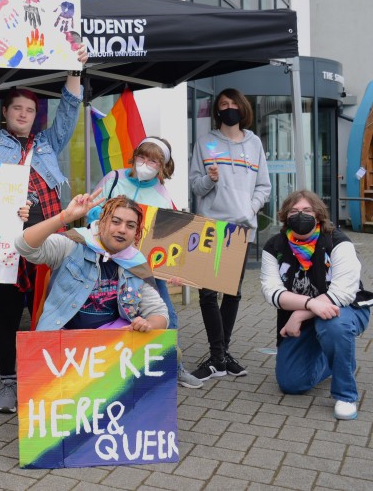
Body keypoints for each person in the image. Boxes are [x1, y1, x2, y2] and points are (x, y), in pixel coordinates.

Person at [0, 37, 88, 413]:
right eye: (16, 109)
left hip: (52, 244)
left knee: (55, 308)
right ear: (6, 114)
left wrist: (74, 69)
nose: (23, 114)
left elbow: (69, 109)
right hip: (8, 245)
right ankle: (8, 383)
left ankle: (51, 381)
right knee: (8, 313)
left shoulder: (48, 144)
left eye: (29, 109)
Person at [88, 137, 202, 388]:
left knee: (166, 314)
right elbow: (90, 211)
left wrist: (174, 270)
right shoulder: (113, 178)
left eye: (153, 160)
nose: (145, 163)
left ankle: (174, 365)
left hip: (142, 265)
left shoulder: (162, 195)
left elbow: (172, 243)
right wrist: (104, 214)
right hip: (105, 259)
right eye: (142, 156)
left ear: (163, 167)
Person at [260, 191, 371, 420]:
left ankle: (345, 395)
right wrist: (311, 304)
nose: (301, 216)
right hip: (308, 317)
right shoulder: (275, 247)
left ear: (318, 215)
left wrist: (299, 314)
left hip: (345, 310)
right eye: (294, 212)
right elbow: (272, 292)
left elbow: (343, 292)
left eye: (307, 211)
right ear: (285, 216)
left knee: (332, 326)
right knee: (291, 383)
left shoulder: (337, 242)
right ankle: (334, 360)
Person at [189, 88, 271, 381]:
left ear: (243, 107)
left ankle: (219, 356)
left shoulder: (254, 143)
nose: (229, 108)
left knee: (233, 294)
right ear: (217, 110)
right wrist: (209, 181)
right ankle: (218, 356)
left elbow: (264, 186)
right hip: (210, 227)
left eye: (234, 103)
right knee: (208, 295)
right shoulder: (206, 142)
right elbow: (196, 185)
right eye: (223, 104)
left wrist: (250, 209)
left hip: (240, 229)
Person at [16, 193, 169, 332]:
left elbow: (159, 313)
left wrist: (149, 324)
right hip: (62, 338)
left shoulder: (135, 263)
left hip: (111, 343)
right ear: (101, 222)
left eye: (130, 226)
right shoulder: (73, 245)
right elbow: (24, 246)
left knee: (174, 354)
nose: (122, 229)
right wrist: (64, 218)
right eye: (116, 222)